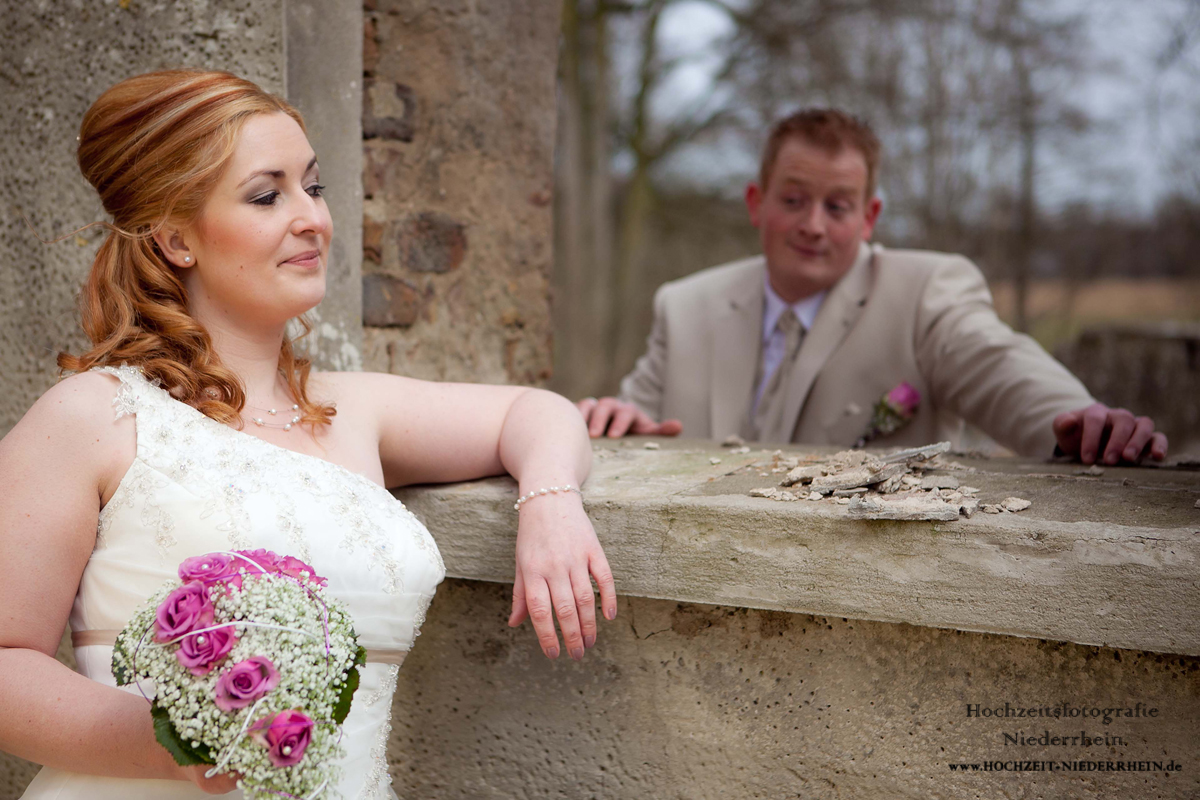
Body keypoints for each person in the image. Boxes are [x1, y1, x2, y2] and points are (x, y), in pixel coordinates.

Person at [0, 70, 615, 799]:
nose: (313, 219)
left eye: (314, 188)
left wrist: (549, 504)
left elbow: (536, 413)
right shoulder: (92, 416)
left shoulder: (356, 409)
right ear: (174, 238)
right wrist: (175, 745)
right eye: (268, 195)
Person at [579, 108, 1169, 465]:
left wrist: (1078, 421)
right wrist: (611, 420)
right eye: (793, 200)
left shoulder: (926, 293)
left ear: (869, 217)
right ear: (756, 203)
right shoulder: (684, 305)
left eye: (837, 206)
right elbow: (638, 421)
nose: (813, 224)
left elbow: (999, 365)